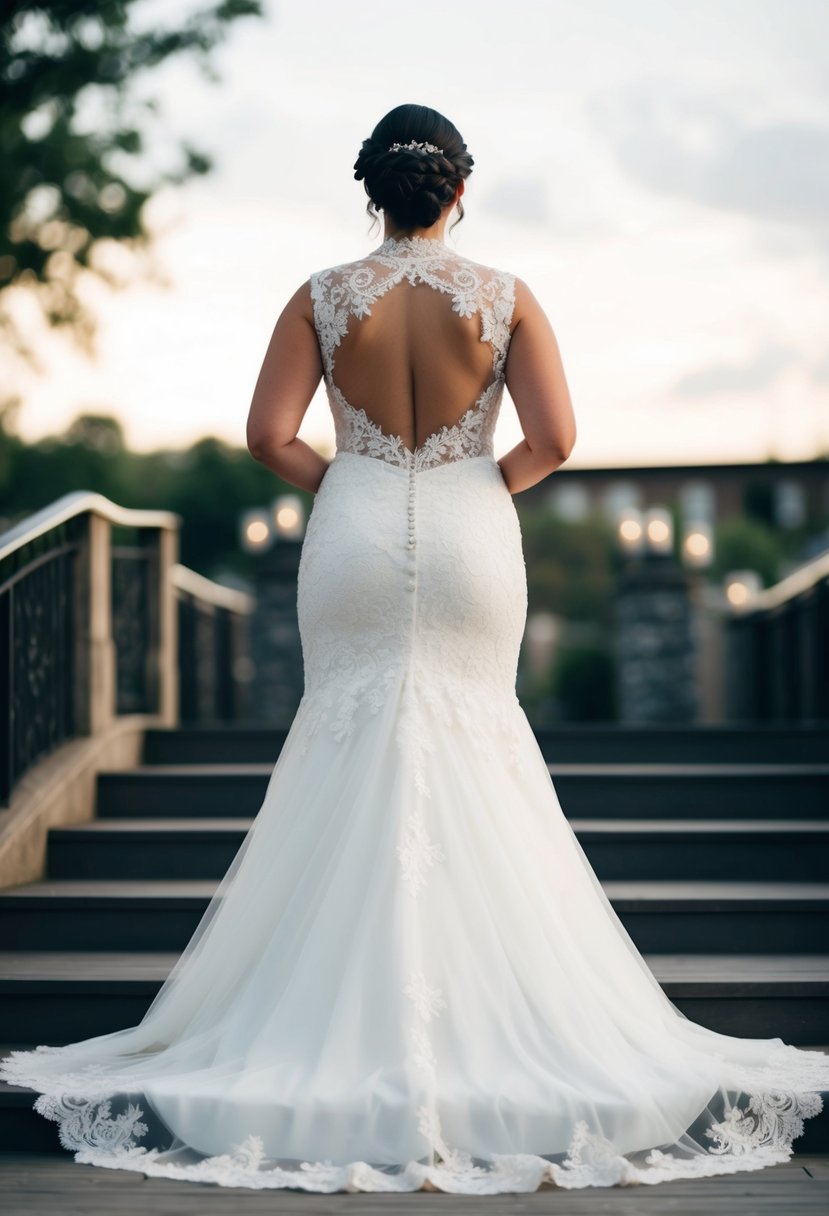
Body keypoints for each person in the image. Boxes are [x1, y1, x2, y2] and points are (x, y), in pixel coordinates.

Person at [1, 102, 827, 1196]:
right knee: (475, 741)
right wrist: (475, 487)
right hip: (469, 530)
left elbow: (265, 435)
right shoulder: (506, 297)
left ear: (371, 193)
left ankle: (328, 1012)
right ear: (460, 189)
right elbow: (557, 440)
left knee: (348, 742)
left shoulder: (321, 295)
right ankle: (496, 1015)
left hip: (348, 529)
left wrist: (351, 481)